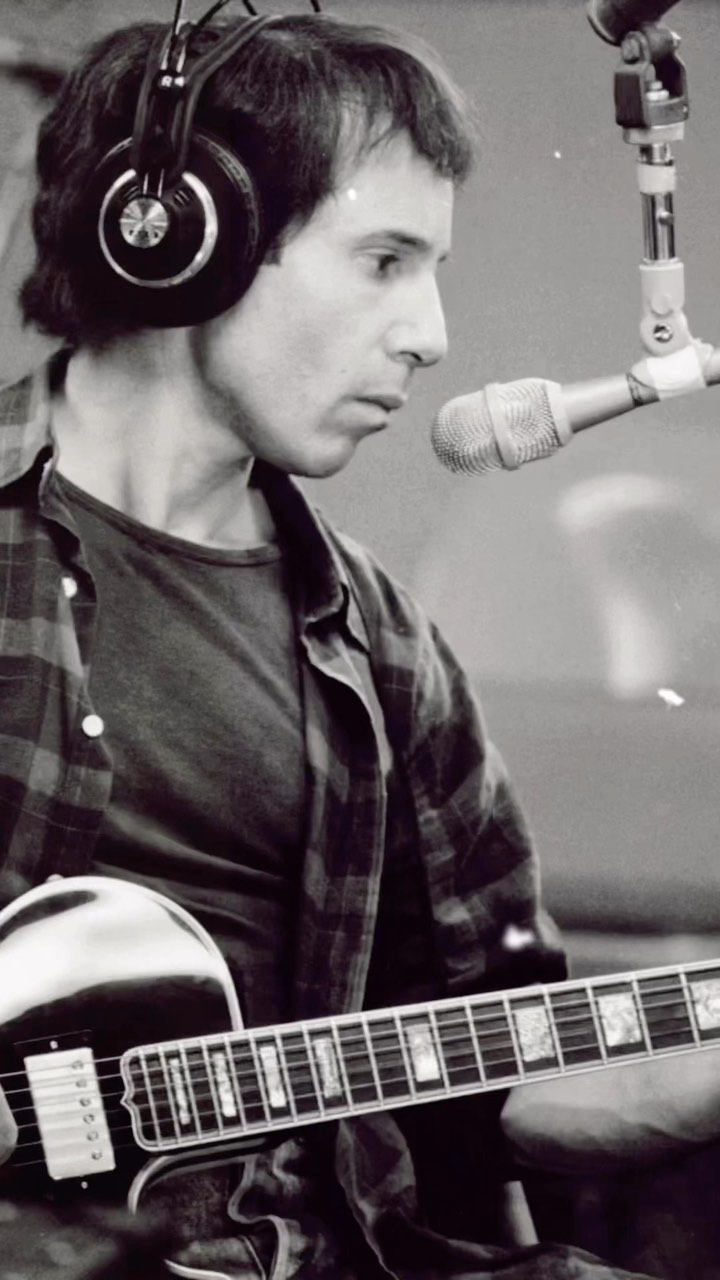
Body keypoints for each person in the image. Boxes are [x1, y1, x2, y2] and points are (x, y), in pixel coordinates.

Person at [1, 9, 719, 1279]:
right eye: (384, 259)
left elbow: (495, 1065)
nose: (432, 334)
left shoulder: (384, 653)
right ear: (179, 236)